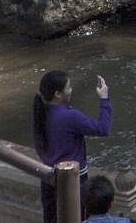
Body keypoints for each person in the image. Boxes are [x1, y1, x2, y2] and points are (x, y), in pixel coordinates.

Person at [33, 71, 111, 223]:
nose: (71, 90)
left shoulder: (39, 114)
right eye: (68, 87)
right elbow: (103, 128)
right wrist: (104, 98)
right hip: (74, 181)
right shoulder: (70, 116)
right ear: (57, 94)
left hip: (47, 177)